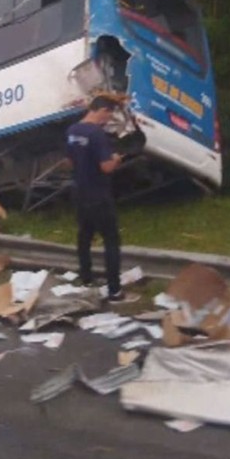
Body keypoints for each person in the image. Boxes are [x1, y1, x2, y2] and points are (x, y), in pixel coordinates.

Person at [64, 95, 137, 304]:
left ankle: (86, 278)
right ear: (102, 110)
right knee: (111, 240)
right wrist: (117, 158)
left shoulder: (72, 131)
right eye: (109, 114)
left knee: (85, 236)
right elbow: (106, 167)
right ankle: (114, 291)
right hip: (98, 193)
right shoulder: (97, 134)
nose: (108, 120)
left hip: (79, 192)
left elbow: (68, 161)